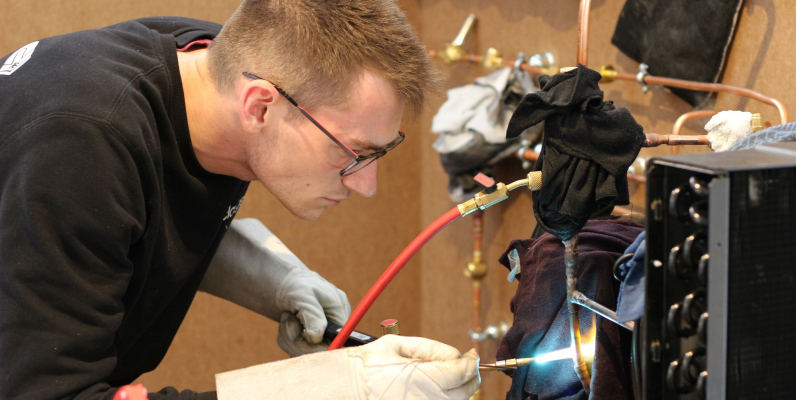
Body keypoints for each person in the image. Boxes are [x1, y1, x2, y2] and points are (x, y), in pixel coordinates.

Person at [0, 1, 480, 399]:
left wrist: (270, 279)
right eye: (353, 152)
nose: (366, 184)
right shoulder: (81, 144)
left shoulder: (212, 66)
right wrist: (327, 389)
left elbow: (130, 213)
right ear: (259, 106)